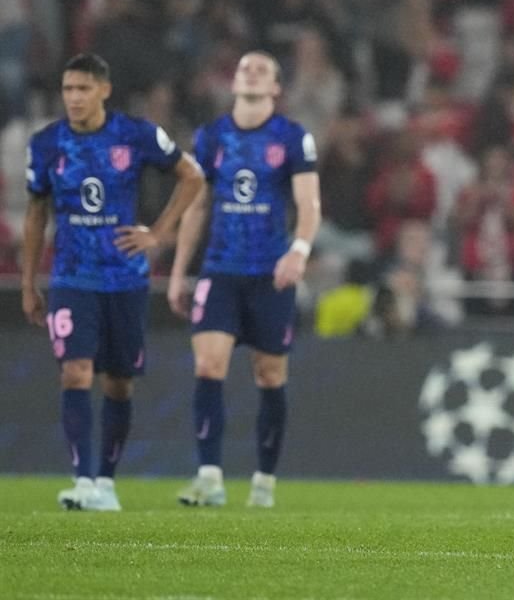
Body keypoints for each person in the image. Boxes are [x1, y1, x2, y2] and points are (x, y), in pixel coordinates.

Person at [21, 52, 203, 510]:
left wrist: (158, 234)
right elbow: (36, 211)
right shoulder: (47, 143)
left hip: (125, 277)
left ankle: (105, 482)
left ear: (104, 89)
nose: (74, 98)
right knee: (76, 371)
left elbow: (192, 176)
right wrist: (29, 281)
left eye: (83, 89)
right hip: (72, 276)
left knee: (119, 383)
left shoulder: (135, 134)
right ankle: (82, 481)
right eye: (68, 90)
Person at [168, 51, 320, 508]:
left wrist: (298, 250)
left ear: (276, 88)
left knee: (269, 373)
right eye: (243, 68)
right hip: (220, 269)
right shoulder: (212, 136)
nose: (250, 72)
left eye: (262, 69)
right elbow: (196, 205)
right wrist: (178, 272)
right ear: (233, 82)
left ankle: (264, 481)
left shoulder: (292, 137)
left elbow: (309, 204)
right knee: (208, 365)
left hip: (271, 273)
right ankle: (210, 476)